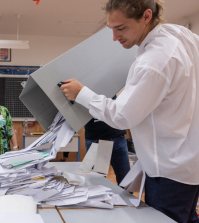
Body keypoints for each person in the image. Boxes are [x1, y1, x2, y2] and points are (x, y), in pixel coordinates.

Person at [60, 0, 199, 222]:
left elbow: (122, 116)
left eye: (121, 28)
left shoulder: (154, 60)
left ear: (146, 16)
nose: (115, 37)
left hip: (168, 169)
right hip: (188, 163)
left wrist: (82, 94)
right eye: (111, 29)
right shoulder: (180, 34)